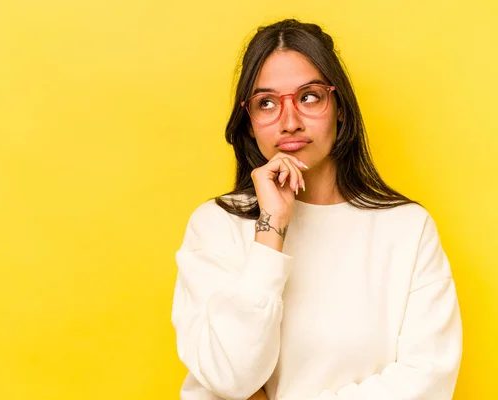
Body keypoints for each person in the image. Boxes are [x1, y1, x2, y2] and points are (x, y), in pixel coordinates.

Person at [170, 19, 462, 400]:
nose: (289, 123)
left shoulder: (407, 229)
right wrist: (270, 226)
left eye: (308, 97)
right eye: (267, 103)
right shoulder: (214, 226)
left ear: (339, 107)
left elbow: (426, 380)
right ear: (250, 123)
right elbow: (230, 377)